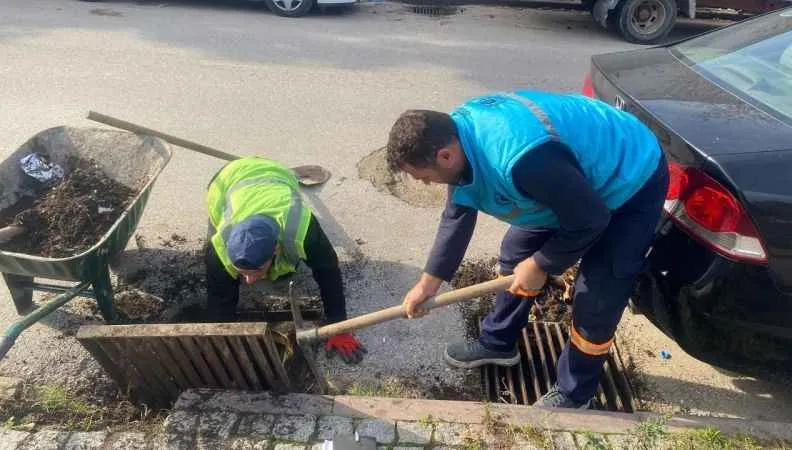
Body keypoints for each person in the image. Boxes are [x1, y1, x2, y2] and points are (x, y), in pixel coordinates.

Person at [386, 90, 668, 408]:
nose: (426, 184)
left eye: (424, 177)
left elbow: (591, 218)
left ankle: (575, 394)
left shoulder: (520, 158)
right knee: (517, 253)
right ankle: (498, 342)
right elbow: (457, 215)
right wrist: (427, 285)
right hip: (568, 181)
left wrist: (542, 264)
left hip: (629, 178)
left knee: (597, 296)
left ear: (445, 156)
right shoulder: (454, 136)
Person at [204, 156, 366, 364]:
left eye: (255, 271)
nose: (249, 282)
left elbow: (328, 272)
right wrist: (226, 348)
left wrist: (338, 327)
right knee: (221, 276)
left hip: (275, 173)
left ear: (276, 248)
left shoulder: (303, 231)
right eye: (242, 272)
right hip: (224, 181)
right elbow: (219, 300)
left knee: (287, 270)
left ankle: (271, 267)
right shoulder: (219, 249)